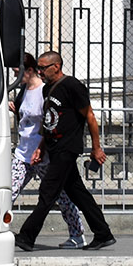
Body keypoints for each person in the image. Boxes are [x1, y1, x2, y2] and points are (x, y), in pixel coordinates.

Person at [14, 50, 116, 252]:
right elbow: (47, 122)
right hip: (53, 148)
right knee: (78, 194)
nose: (40, 72)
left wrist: (96, 148)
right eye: (39, 68)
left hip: (67, 149)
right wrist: (41, 148)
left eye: (43, 68)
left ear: (56, 67)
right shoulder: (47, 89)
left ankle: (26, 237)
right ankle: (103, 233)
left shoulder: (72, 86)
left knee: (47, 192)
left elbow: (91, 117)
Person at [8, 55, 85, 249]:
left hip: (43, 154)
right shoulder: (23, 91)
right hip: (23, 153)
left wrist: (42, 147)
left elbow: (50, 121)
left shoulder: (45, 91)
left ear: (30, 70)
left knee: (63, 197)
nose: (15, 77)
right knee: (8, 192)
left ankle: (77, 234)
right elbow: (23, 116)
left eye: (18, 73)